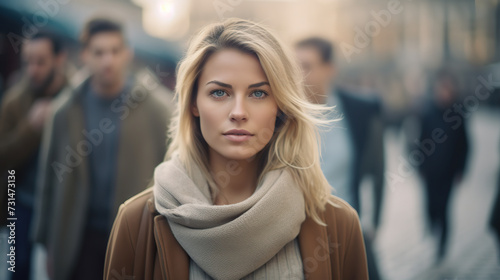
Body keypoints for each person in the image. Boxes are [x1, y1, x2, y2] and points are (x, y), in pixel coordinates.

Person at [104, 18, 368, 279]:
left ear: (281, 108)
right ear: (193, 103)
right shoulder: (136, 222)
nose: (239, 113)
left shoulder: (338, 224)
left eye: (258, 93)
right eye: (219, 93)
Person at [31, 18, 174, 280]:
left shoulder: (158, 109)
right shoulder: (64, 110)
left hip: (133, 236)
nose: (108, 61)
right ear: (84, 55)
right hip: (78, 237)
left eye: (115, 51)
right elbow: (48, 181)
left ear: (127, 53)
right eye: (99, 52)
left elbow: (176, 174)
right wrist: (47, 245)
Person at [295, 37, 384, 280]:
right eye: (294, 67)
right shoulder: (281, 115)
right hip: (297, 237)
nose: (299, 74)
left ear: (329, 69)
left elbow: (378, 170)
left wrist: (374, 222)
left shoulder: (360, 110)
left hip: (347, 231)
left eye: (306, 66)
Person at [0, 30, 68, 280]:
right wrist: (30, 128)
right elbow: (3, 156)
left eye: (40, 61)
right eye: (28, 61)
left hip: (60, 207)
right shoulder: (14, 102)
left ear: (60, 59)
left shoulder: (75, 100)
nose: (32, 69)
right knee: (16, 266)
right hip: (20, 204)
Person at [417, 69, 469, 260]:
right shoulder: (428, 112)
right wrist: (420, 165)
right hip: (430, 170)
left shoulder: (458, 115)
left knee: (445, 207)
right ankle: (432, 225)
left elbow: (465, 144)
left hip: (449, 171)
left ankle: (443, 243)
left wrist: (462, 169)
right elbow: (421, 140)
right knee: (430, 205)